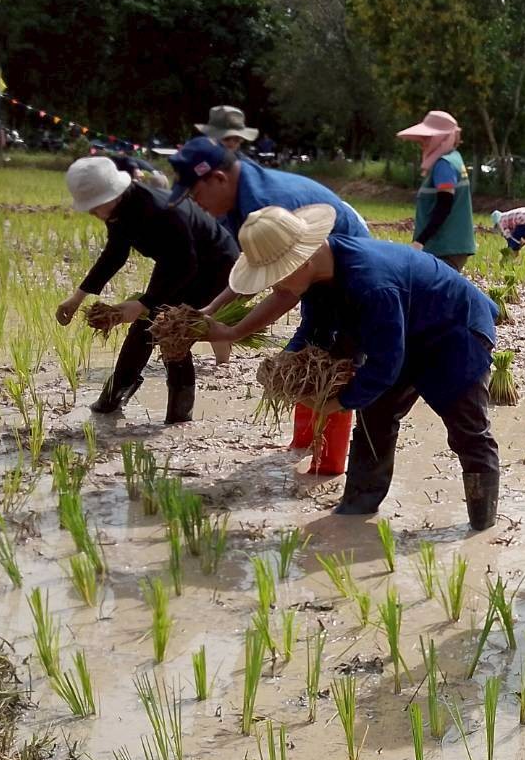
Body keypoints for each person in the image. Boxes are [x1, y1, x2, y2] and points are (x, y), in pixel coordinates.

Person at [197, 205, 502, 527]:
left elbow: (385, 365)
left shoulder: (371, 283)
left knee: (467, 431)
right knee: (375, 419)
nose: (275, 288)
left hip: (455, 334)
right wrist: (283, 365)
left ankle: (482, 525)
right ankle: (356, 509)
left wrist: (336, 403)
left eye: (277, 276)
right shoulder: (319, 275)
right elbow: (313, 330)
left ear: (304, 259)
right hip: (403, 330)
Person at [55, 157, 236, 424]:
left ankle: (179, 414)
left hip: (214, 265)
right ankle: (115, 396)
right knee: (144, 327)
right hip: (175, 261)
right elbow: (115, 255)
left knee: (171, 330)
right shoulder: (118, 210)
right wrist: (78, 296)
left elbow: (186, 263)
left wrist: (143, 304)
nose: (93, 213)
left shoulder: (160, 209)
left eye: (95, 207)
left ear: (114, 193)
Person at [167, 136, 369, 245]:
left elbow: (287, 289)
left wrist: (229, 322)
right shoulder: (236, 191)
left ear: (219, 178)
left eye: (195, 194)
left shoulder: (267, 207)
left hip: (351, 261)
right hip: (317, 266)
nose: (196, 203)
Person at [398, 110, 476, 271]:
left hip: (444, 248)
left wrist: (420, 241)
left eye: (428, 138)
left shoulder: (444, 165)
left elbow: (444, 205)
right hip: (453, 246)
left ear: (442, 138)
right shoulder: (455, 158)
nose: (423, 143)